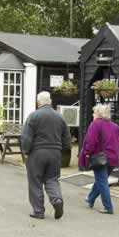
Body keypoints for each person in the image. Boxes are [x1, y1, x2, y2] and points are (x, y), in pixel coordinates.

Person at [21, 91, 71, 220]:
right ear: (50, 101)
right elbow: (67, 138)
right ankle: (57, 200)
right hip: (55, 153)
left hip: (37, 153)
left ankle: (38, 211)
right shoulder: (60, 117)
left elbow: (26, 138)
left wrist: (25, 151)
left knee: (35, 181)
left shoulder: (33, 116)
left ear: (38, 103)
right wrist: (65, 151)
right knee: (52, 179)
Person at [79, 104, 119, 215]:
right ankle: (90, 199)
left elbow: (90, 141)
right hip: (113, 158)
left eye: (94, 113)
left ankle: (108, 207)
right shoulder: (115, 126)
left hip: (100, 158)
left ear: (98, 113)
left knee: (102, 181)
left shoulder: (95, 124)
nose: (93, 115)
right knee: (101, 180)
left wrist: (87, 153)